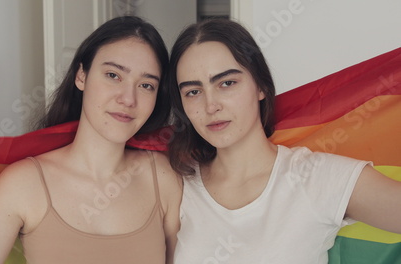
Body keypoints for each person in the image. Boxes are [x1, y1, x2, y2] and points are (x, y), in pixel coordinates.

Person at [0, 16, 182, 264]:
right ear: (81, 75)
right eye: (113, 75)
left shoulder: (163, 177)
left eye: (146, 85)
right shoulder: (24, 183)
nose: (128, 99)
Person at [166, 18, 401, 263]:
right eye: (193, 92)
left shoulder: (316, 177)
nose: (211, 105)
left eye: (227, 83)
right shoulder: (174, 186)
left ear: (260, 87)